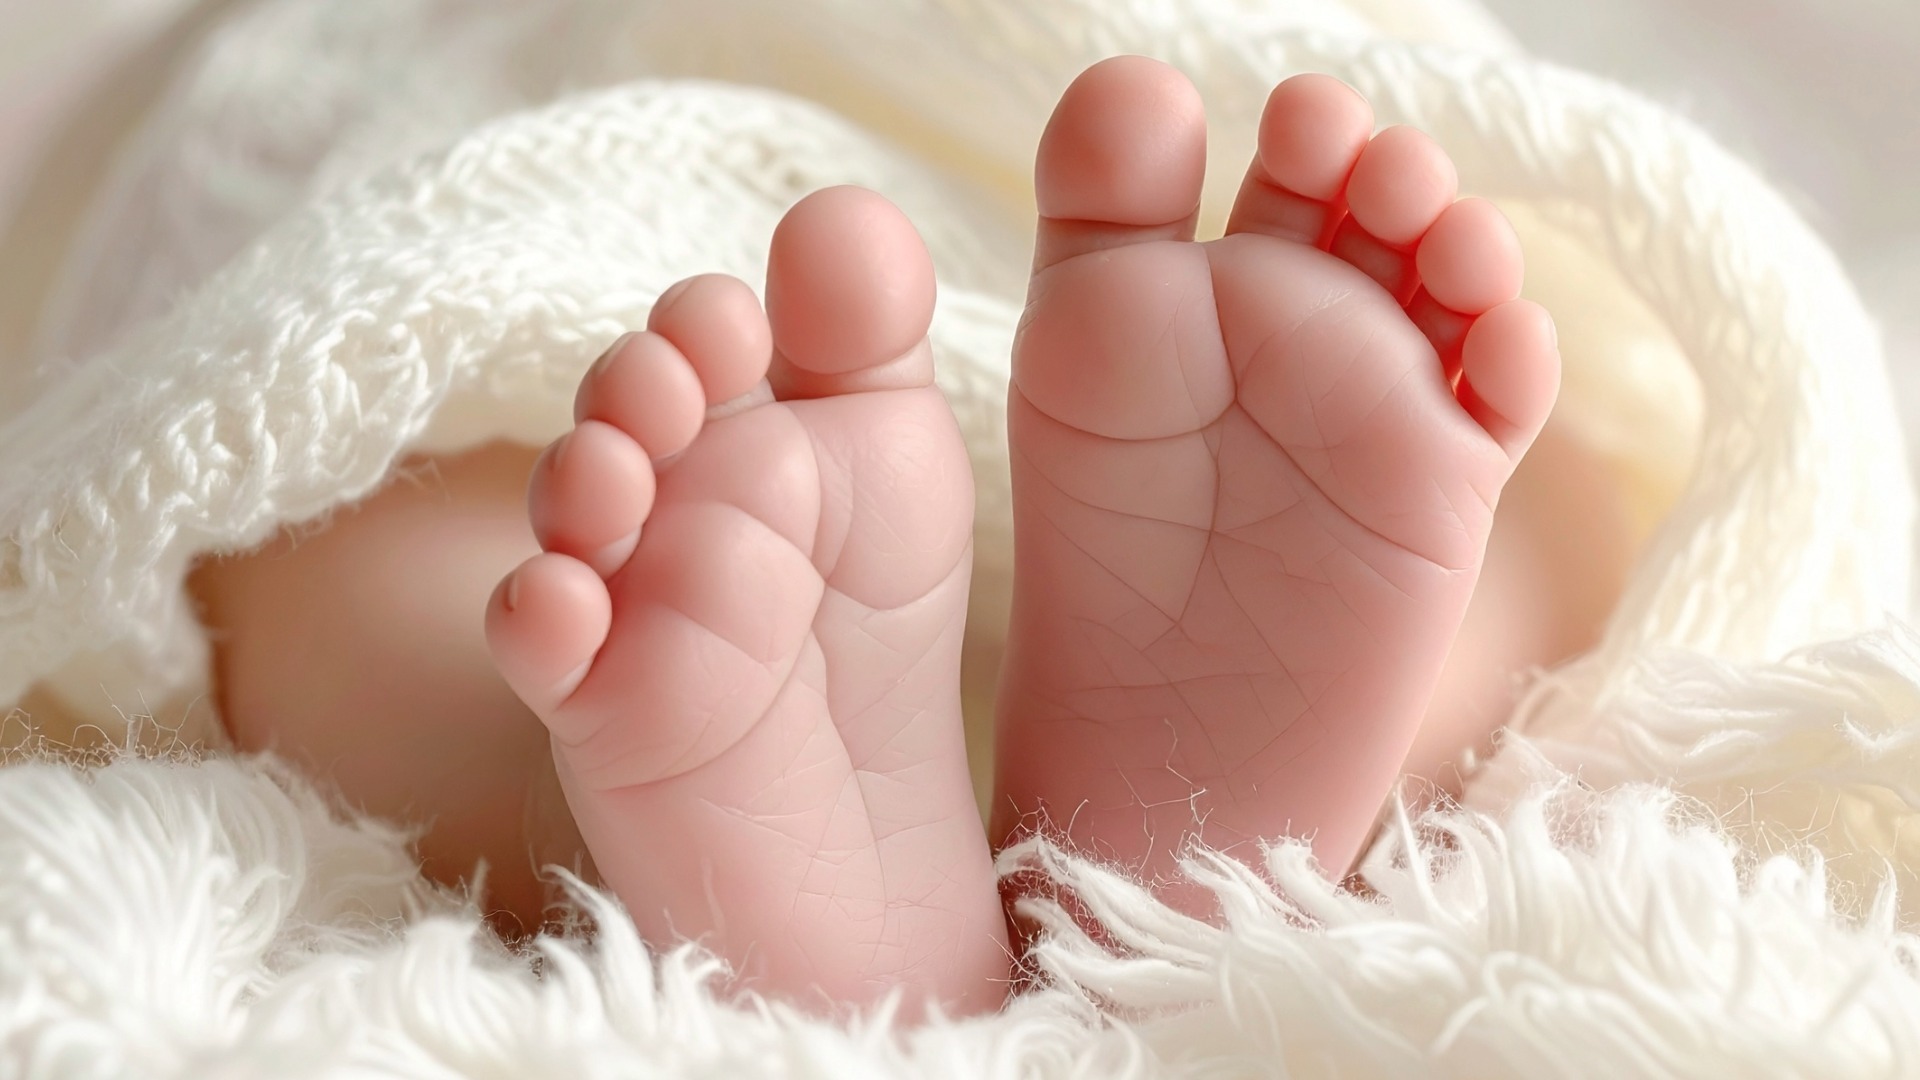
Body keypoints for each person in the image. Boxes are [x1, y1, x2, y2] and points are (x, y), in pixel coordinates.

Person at [189, 56, 1580, 1015]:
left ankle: (606, 811)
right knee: (1536, 508)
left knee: (350, 542)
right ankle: (1181, 876)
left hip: (670, 343)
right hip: (863, 506)